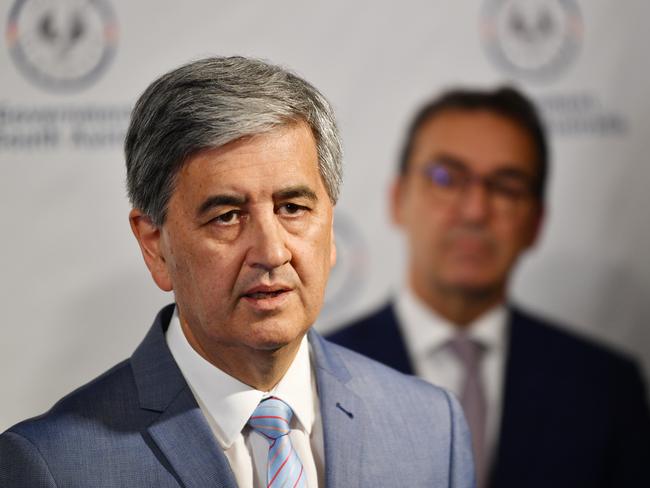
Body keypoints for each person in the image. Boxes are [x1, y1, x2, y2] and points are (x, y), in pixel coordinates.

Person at [0, 57, 475, 488]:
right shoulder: (53, 466)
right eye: (226, 215)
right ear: (154, 244)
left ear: (330, 228)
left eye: (292, 207)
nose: (271, 251)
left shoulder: (433, 429)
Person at [328, 87, 650, 488]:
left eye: (507, 186)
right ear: (398, 199)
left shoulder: (605, 387)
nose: (476, 210)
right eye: (446, 177)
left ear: (536, 222)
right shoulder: (322, 373)